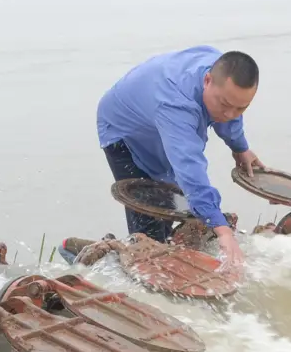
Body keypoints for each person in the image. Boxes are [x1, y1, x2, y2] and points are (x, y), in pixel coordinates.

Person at [94, 47, 262, 272]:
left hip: (157, 121)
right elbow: (189, 167)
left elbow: (230, 113)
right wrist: (221, 228)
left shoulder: (224, 69)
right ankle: (114, 261)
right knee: (149, 225)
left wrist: (240, 148)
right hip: (123, 131)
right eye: (224, 105)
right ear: (207, 80)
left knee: (169, 206)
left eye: (242, 107)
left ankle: (156, 248)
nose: (230, 114)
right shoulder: (176, 104)